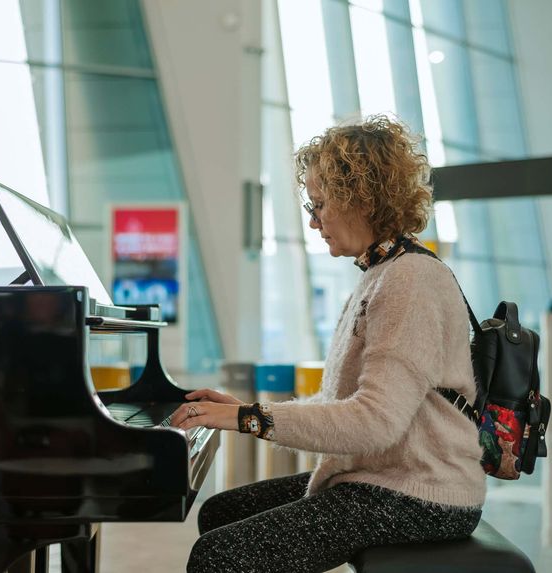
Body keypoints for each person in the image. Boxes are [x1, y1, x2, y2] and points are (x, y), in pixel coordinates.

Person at [169, 115, 485, 573]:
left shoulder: (410, 281)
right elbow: (343, 404)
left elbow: (374, 423)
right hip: (385, 476)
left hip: (421, 493)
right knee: (221, 512)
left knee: (219, 556)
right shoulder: (382, 274)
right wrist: (246, 409)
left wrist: (249, 419)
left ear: (364, 199)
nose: (314, 221)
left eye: (320, 205)